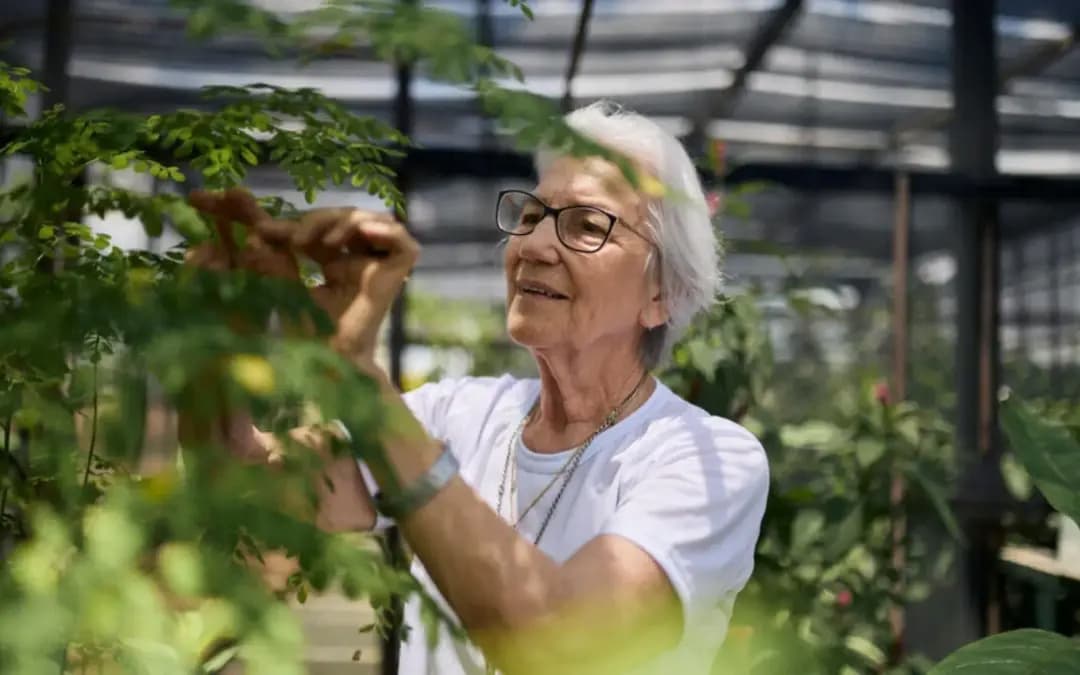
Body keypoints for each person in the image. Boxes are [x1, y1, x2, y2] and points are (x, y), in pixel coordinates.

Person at [184, 101, 769, 675]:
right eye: (533, 215)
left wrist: (356, 383)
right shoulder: (460, 414)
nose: (535, 247)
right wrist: (211, 349)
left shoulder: (707, 458)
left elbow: (562, 646)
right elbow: (248, 495)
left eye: (587, 225)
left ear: (661, 294)